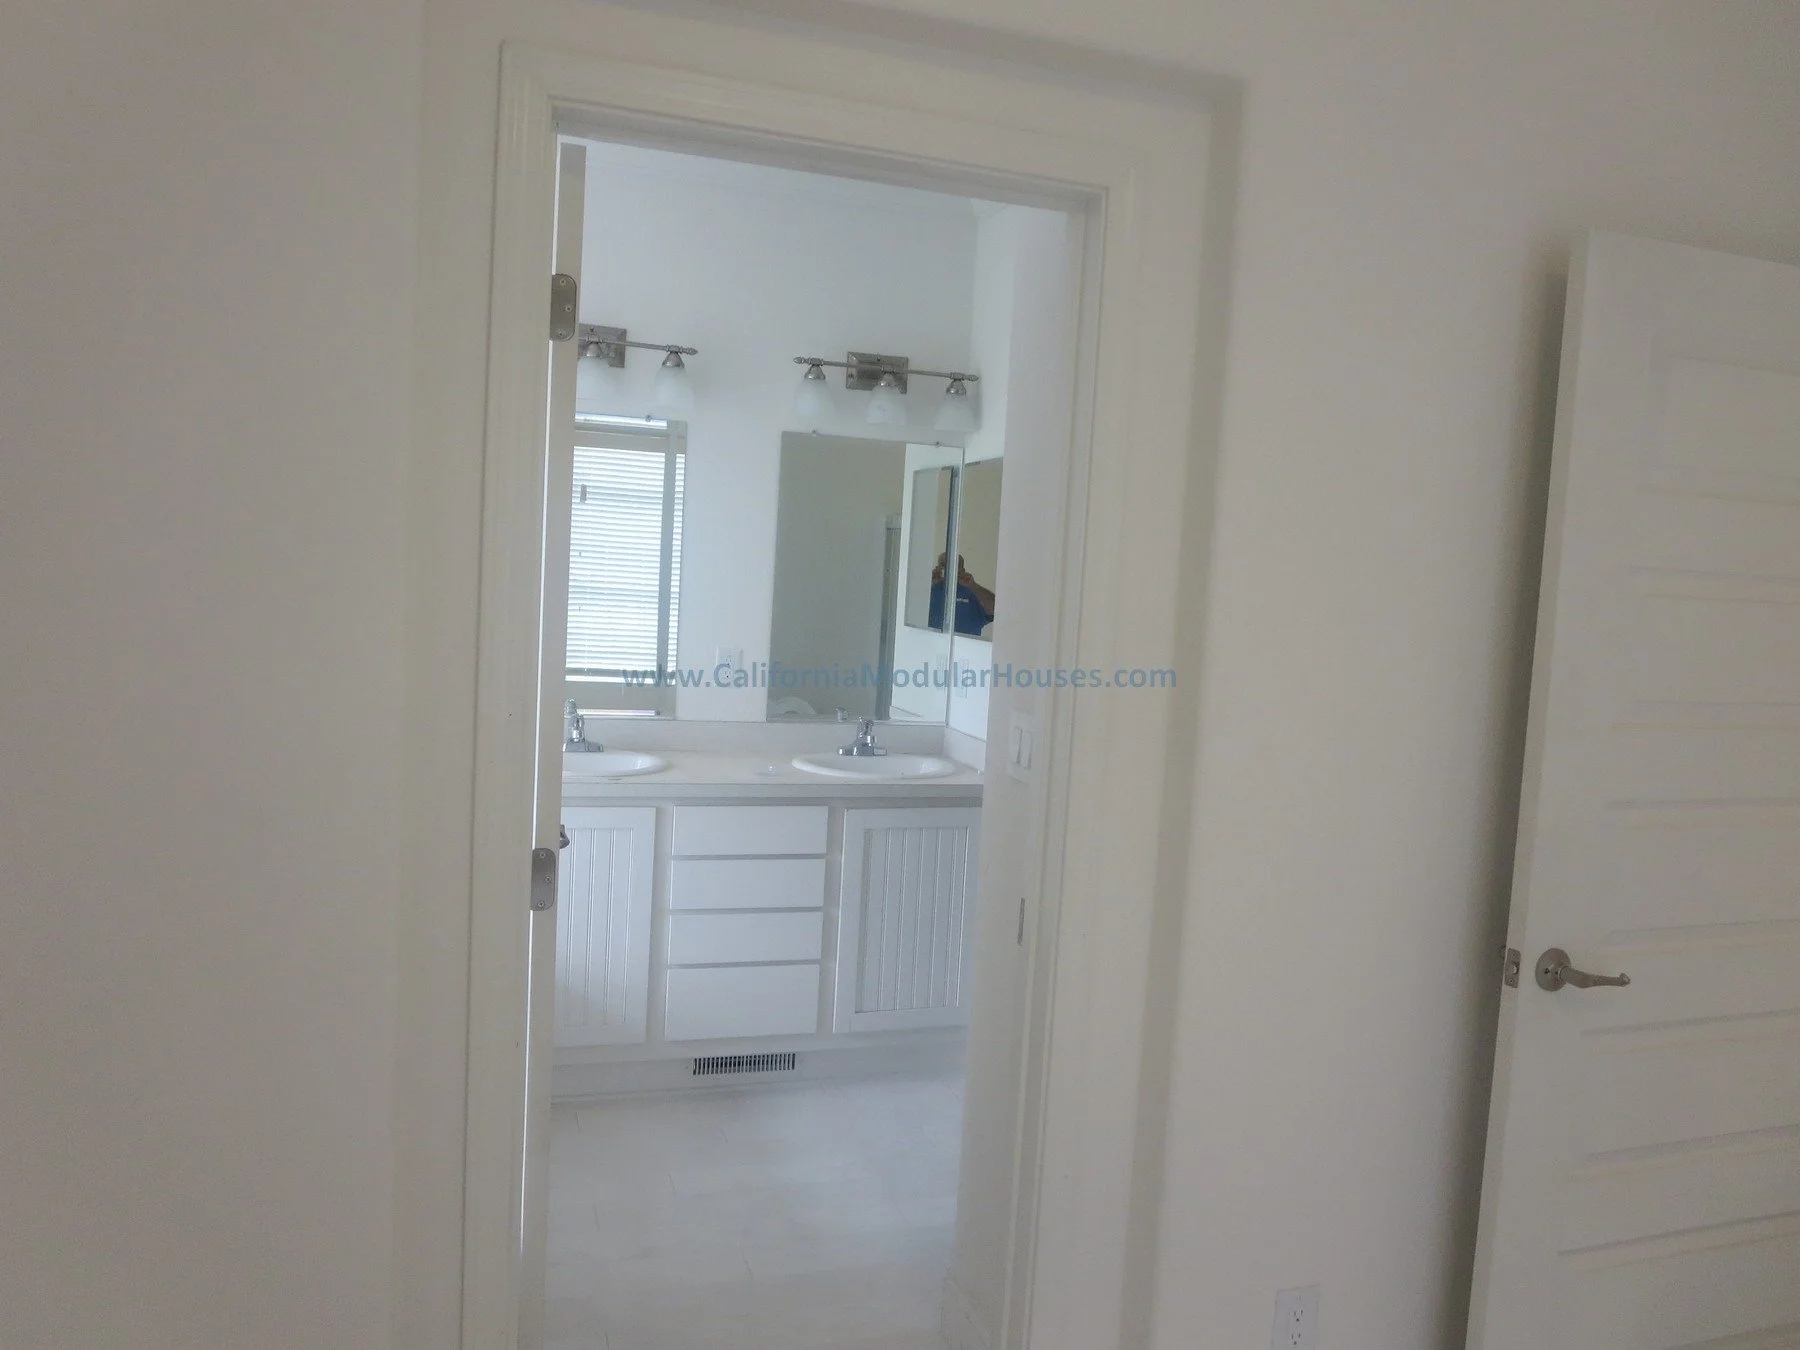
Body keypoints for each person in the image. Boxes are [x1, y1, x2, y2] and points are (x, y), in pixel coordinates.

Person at [928, 553, 995, 636]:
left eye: (953, 565)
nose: (948, 569)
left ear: (962, 570)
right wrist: (928, 582)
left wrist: (973, 586)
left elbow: (996, 609)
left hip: (966, 646)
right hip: (932, 644)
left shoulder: (973, 593)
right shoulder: (930, 592)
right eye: (943, 565)